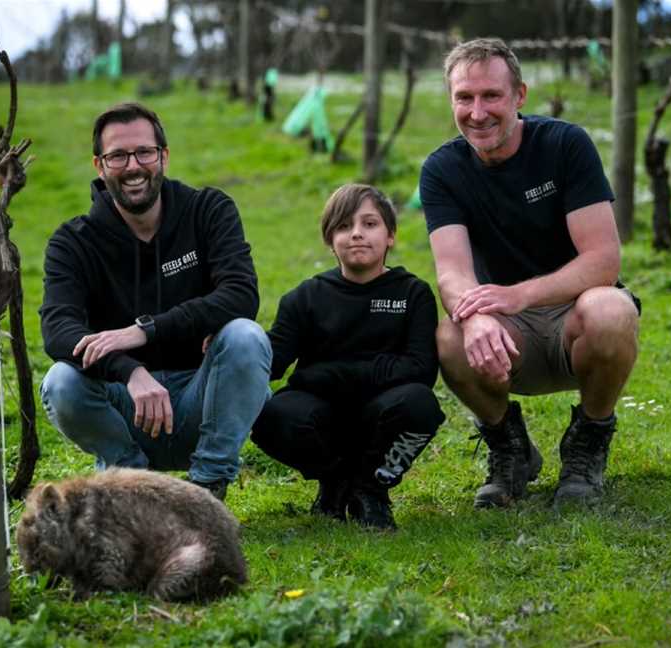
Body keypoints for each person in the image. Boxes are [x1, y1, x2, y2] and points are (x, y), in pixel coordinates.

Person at [420, 38, 640, 508]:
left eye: (491, 96)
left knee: (610, 310)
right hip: (506, 332)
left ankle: (588, 441)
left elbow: (603, 261)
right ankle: (510, 449)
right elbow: (453, 272)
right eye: (464, 98)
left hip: (574, 321)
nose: (477, 112)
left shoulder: (565, 145)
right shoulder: (442, 170)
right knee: (448, 335)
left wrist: (519, 295)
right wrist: (473, 314)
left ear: (519, 95)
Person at [39, 102, 271, 501]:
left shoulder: (208, 211)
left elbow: (241, 294)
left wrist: (144, 331)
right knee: (60, 381)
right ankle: (134, 485)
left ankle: (207, 490)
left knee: (246, 337)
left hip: (205, 400)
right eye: (117, 156)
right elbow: (59, 330)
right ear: (99, 165)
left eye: (144, 152)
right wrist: (129, 370)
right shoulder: (72, 242)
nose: (133, 166)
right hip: (122, 408)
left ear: (163, 156)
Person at [251, 184, 444, 530]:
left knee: (420, 405)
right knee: (271, 415)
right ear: (329, 240)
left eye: (369, 224)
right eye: (343, 226)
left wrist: (324, 375)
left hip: (385, 413)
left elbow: (420, 369)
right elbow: (271, 361)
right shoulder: (305, 297)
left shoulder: (413, 293)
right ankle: (336, 481)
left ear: (391, 237)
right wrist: (224, 341)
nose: (356, 234)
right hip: (322, 418)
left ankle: (372, 490)